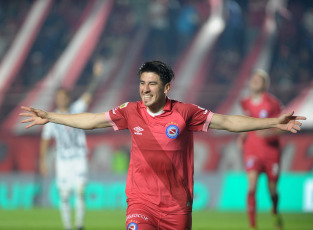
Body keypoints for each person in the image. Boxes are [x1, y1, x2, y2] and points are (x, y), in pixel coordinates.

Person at [20, 61, 305, 230]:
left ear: (166, 87)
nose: (144, 89)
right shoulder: (129, 111)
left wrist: (274, 123)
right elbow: (92, 120)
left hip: (177, 207)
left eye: (152, 84)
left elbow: (229, 123)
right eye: (142, 83)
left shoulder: (186, 112)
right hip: (140, 202)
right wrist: (51, 117)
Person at [39, 60, 103, 230]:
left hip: (78, 158)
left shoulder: (77, 108)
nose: (61, 99)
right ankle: (68, 227)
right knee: (65, 195)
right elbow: (45, 141)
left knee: (80, 191)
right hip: (62, 161)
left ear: (68, 98)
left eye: (64, 96)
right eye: (58, 97)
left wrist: (96, 76)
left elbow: (89, 94)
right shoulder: (50, 118)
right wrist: (43, 161)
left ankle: (79, 225)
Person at [237, 69, 284, 230]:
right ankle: (253, 226)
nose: (254, 81)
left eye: (259, 79)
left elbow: (283, 126)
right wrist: (242, 136)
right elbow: (244, 122)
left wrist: (270, 131)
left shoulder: (273, 103)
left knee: (272, 190)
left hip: (271, 151)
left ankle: (276, 212)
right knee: (251, 186)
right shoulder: (244, 103)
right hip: (252, 150)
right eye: (253, 79)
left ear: (265, 84)